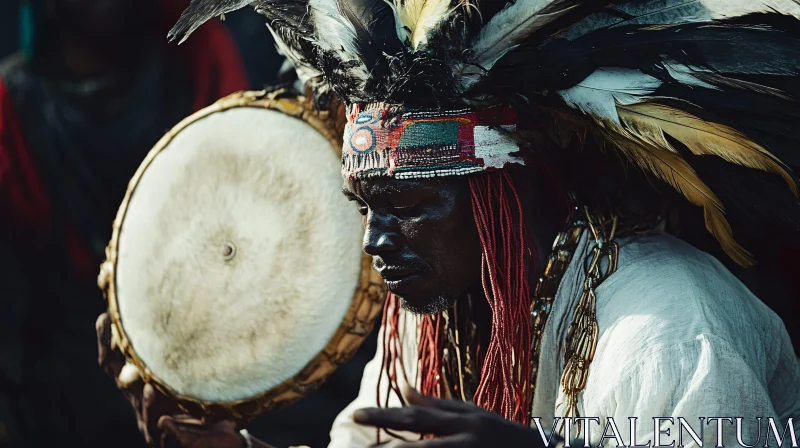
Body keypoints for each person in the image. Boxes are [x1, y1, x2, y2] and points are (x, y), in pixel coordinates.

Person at [99, 0, 800, 447]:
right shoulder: (431, 321)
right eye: (367, 208)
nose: (377, 243)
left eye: (408, 208)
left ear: (501, 191)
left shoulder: (669, 328)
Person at [0, 0, 248, 445]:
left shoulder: (197, 58)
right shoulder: (12, 103)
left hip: (202, 352)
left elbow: (242, 196)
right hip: (59, 380)